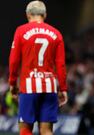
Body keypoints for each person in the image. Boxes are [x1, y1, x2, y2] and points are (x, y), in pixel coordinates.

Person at [8, 1, 68, 135]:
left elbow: (14, 61)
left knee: (25, 129)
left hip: (29, 87)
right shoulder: (56, 34)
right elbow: (61, 64)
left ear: (28, 15)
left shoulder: (21, 31)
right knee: (46, 131)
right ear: (45, 15)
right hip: (49, 87)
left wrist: (12, 83)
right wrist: (63, 88)